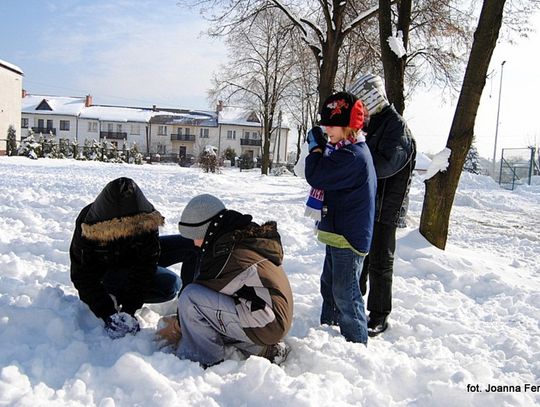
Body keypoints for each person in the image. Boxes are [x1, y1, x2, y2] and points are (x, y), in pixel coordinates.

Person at [70, 177, 198, 339]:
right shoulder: (89, 224)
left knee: (193, 244)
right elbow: (82, 276)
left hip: (134, 258)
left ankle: (192, 310)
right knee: (169, 285)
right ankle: (113, 291)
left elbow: (145, 266)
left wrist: (129, 309)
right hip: (107, 271)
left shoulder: (146, 219)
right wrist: (107, 312)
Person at [174, 194, 293, 367]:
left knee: (190, 298)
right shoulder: (238, 237)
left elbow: (197, 294)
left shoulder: (227, 256)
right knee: (208, 317)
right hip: (271, 317)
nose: (195, 242)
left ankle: (203, 360)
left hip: (269, 323)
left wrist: (180, 324)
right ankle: (263, 350)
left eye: (196, 235)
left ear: (208, 229)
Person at [304, 91, 376, 345]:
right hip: (338, 231)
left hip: (348, 235)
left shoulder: (352, 156)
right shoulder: (341, 149)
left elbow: (317, 176)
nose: (326, 129)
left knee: (346, 291)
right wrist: (322, 147)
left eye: (331, 124)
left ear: (348, 127)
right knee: (330, 284)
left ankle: (356, 342)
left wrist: (315, 149)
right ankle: (330, 329)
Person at [348, 73, 416, 336]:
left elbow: (385, 165)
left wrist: (358, 154)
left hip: (388, 206)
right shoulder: (377, 123)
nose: (361, 110)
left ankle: (379, 315)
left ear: (372, 98)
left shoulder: (397, 127)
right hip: (372, 203)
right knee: (362, 256)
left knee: (380, 262)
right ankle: (355, 302)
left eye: (362, 102)